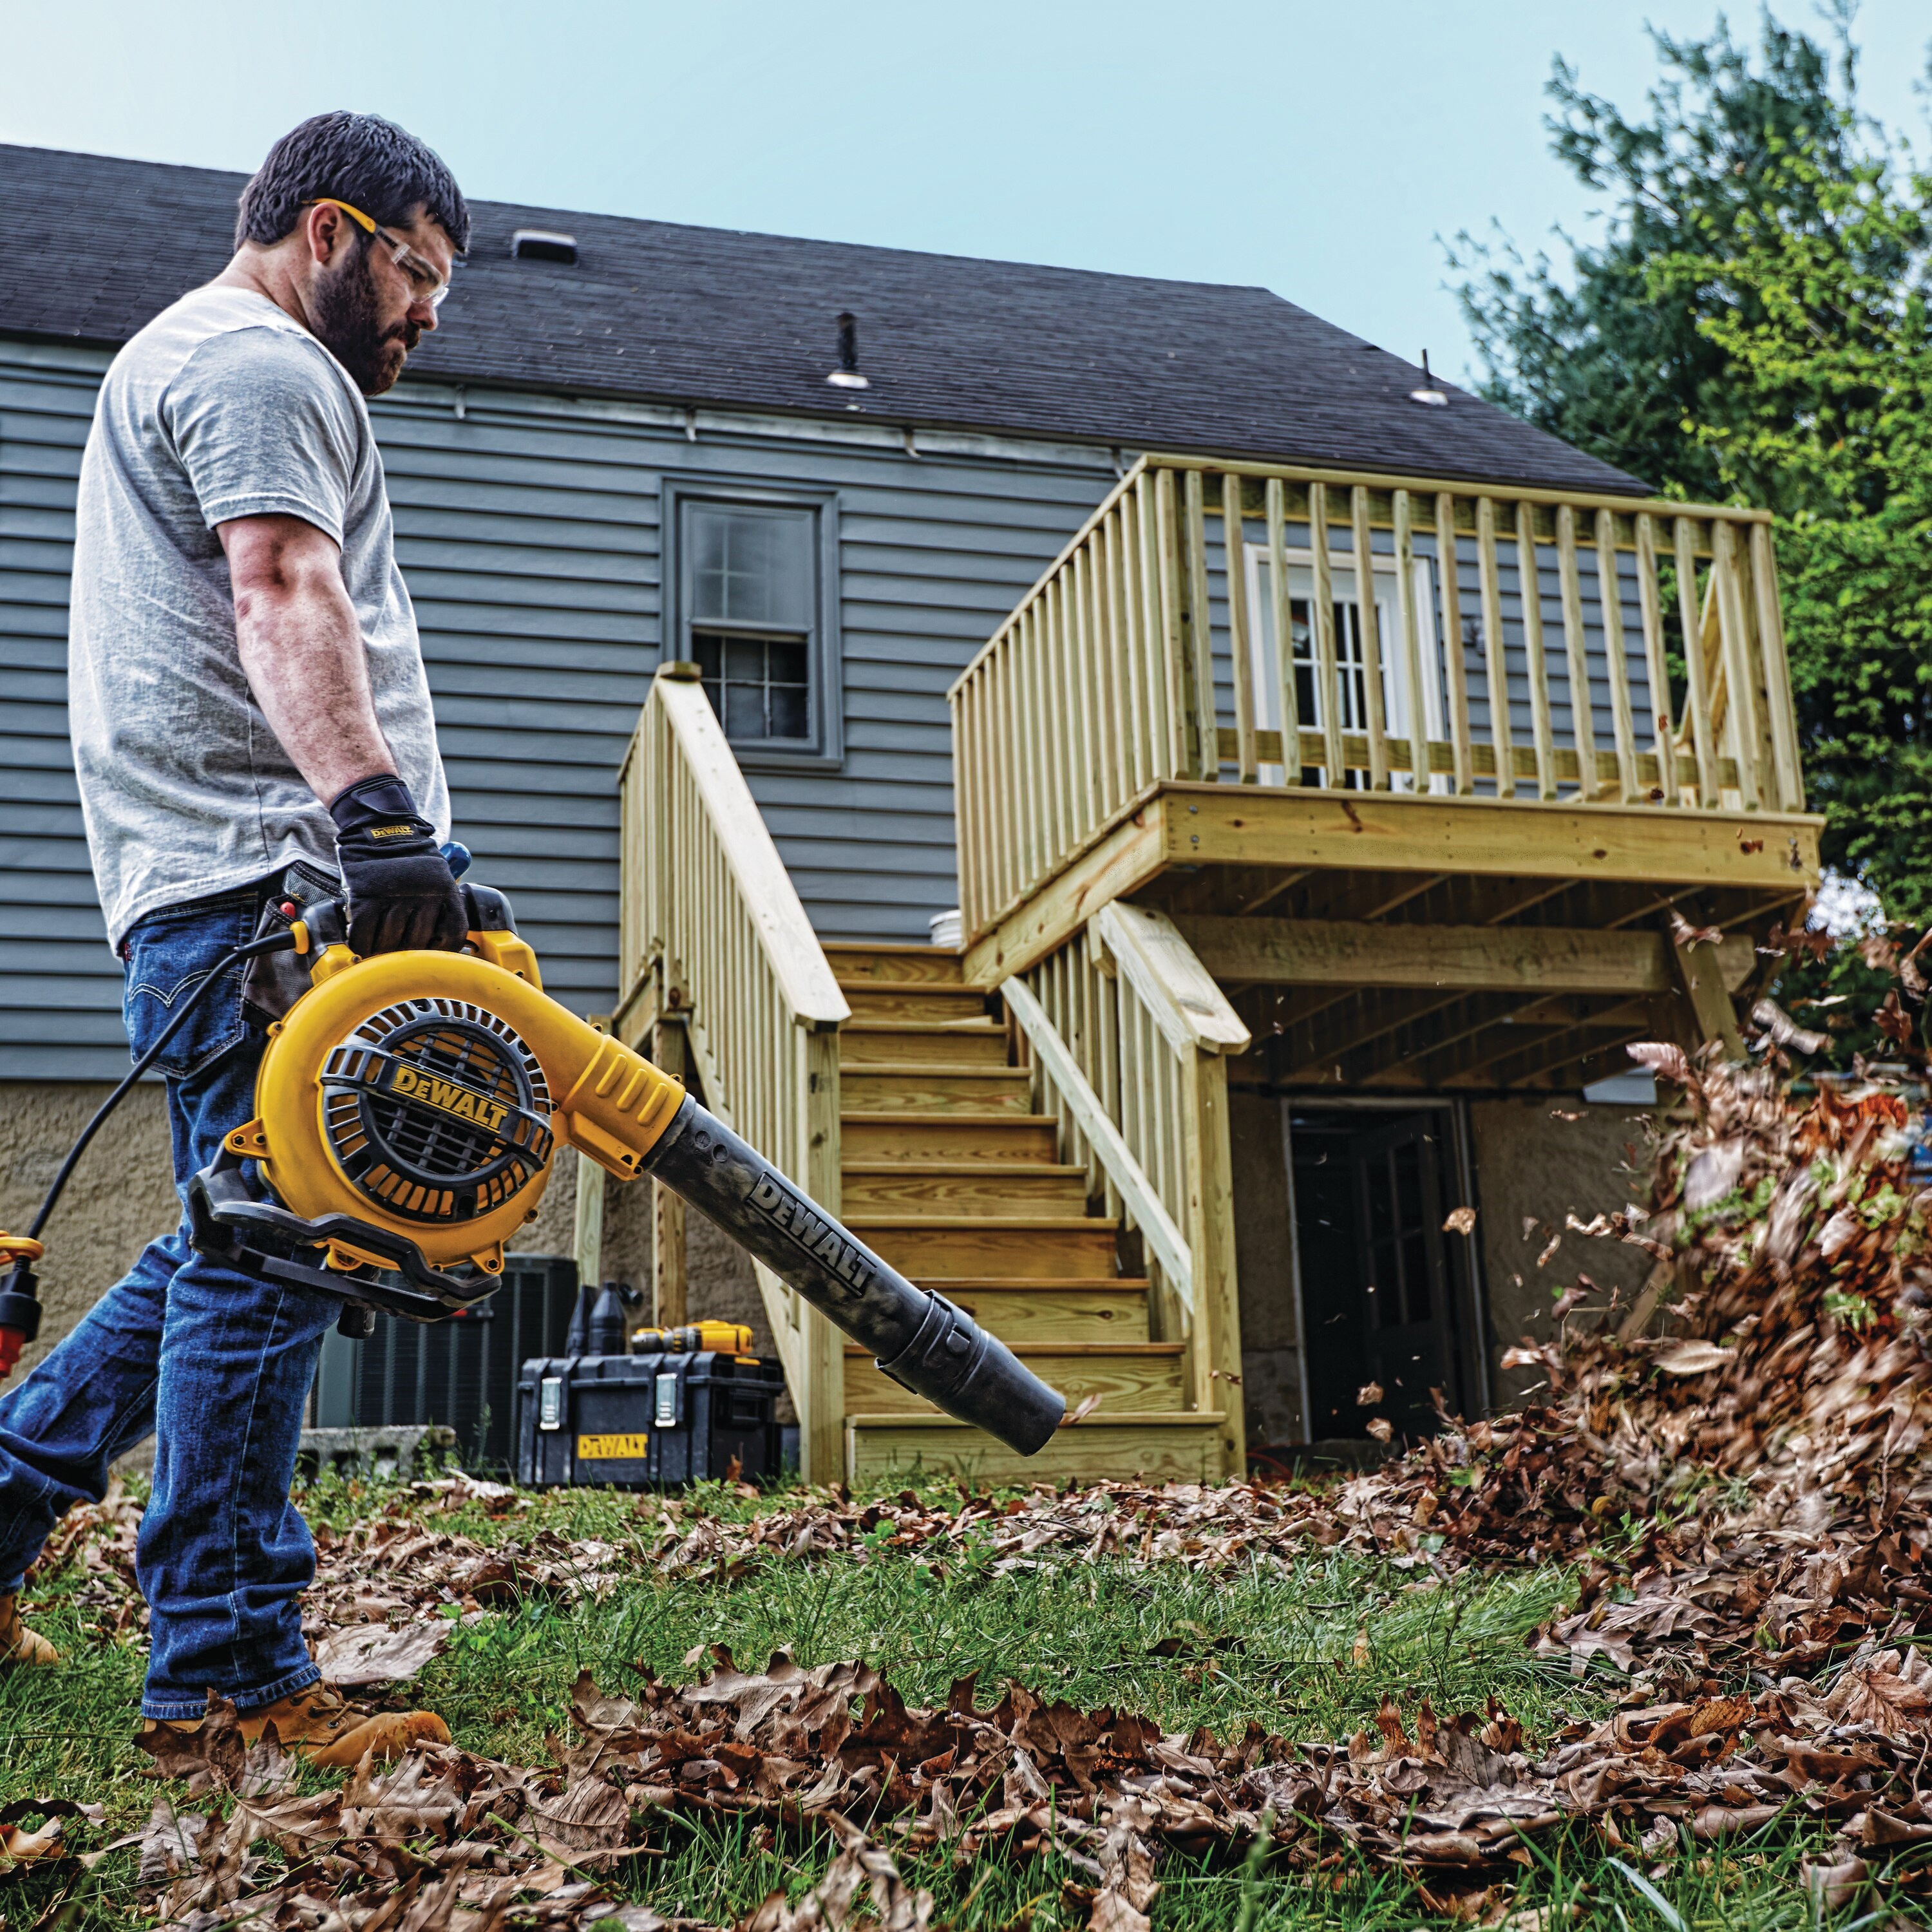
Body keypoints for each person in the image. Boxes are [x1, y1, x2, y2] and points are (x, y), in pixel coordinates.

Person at [0, 113, 474, 1766]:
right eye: (419, 273)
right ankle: (220, 1676)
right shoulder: (267, 364)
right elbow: (279, 585)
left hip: (227, 882)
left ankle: (7, 1506)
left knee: (232, 1238)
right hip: (266, 884)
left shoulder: (197, 359)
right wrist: (374, 817)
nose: (426, 315)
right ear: (333, 233)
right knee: (283, 1252)